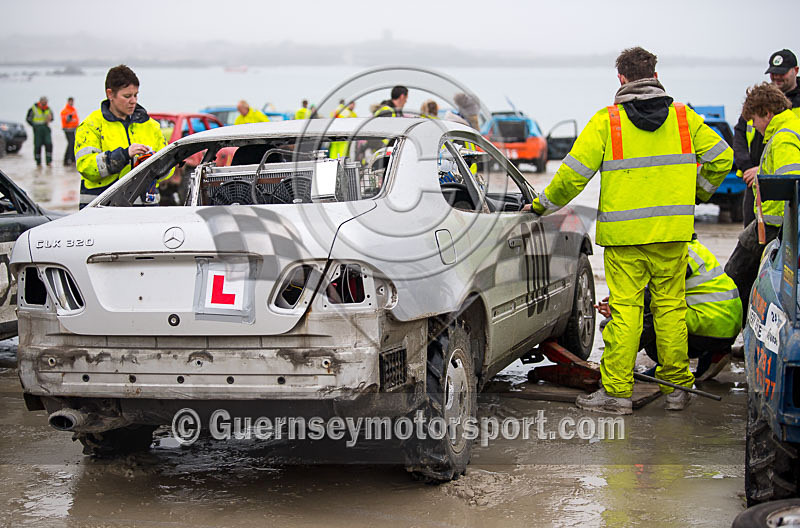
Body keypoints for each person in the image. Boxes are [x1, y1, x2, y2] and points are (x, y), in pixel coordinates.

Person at [526, 47, 733, 414]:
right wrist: (698, 193)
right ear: (655, 76)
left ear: (621, 79)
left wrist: (541, 206)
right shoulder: (684, 118)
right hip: (672, 234)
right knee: (671, 309)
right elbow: (722, 157)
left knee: (626, 312)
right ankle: (677, 390)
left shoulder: (607, 122)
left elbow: (571, 176)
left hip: (625, 240)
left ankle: (617, 394)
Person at [597, 236, 741, 381]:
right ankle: (714, 354)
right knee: (656, 307)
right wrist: (620, 303)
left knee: (656, 316)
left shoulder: (676, 255)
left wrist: (622, 350)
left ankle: (663, 368)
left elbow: (657, 298)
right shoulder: (693, 249)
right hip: (726, 328)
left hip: (708, 329)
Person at [725, 83, 800, 323]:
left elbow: (793, 186)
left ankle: (732, 332)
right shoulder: (790, 128)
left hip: (774, 226)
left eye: (754, 120)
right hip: (773, 225)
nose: (754, 126)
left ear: (767, 113)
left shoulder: (783, 139)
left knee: (732, 278)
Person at [74, 65, 166, 209]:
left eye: (136, 95)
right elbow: (86, 166)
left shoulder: (151, 126)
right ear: (110, 94)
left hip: (147, 211)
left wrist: (155, 163)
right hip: (103, 210)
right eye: (127, 96)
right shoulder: (91, 125)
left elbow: (168, 170)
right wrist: (124, 155)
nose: (133, 101)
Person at [734, 49, 800, 227]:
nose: (777, 77)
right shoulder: (760, 100)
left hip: (779, 183)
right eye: (773, 73)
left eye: (782, 72)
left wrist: (763, 172)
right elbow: (740, 134)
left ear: (796, 70)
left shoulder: (786, 123)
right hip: (755, 179)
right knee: (751, 227)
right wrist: (747, 167)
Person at [26, 96, 53, 167]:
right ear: (41, 101)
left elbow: (52, 118)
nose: (45, 103)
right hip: (37, 129)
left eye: (46, 102)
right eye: (44, 101)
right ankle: (38, 162)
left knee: (49, 144)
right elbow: (28, 119)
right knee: (37, 145)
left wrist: (50, 119)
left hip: (46, 128)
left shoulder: (48, 109)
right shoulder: (34, 108)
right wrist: (34, 126)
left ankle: (49, 161)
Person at [60, 97, 79, 166]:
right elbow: (66, 120)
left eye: (72, 101)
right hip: (67, 129)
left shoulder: (73, 109)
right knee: (71, 143)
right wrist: (69, 118)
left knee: (73, 143)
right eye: (70, 101)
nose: (71, 103)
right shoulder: (65, 110)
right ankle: (66, 160)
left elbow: (75, 119)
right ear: (68, 102)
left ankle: (72, 159)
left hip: (73, 129)